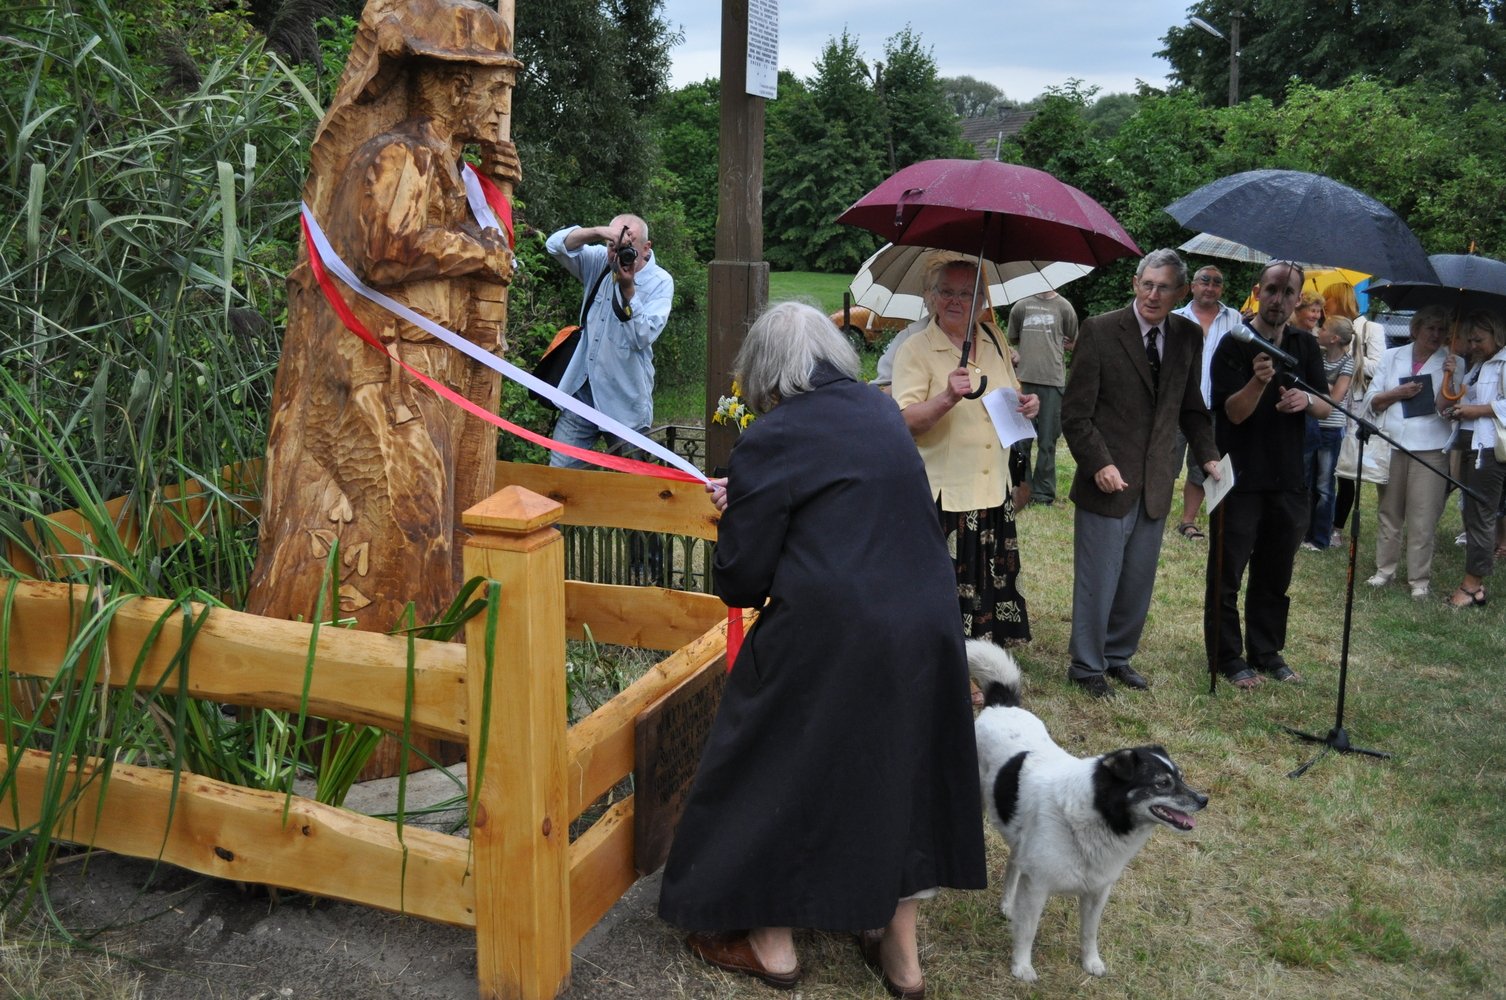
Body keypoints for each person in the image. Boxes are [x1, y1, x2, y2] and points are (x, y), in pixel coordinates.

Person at [660, 301, 986, 999]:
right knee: (896, 765)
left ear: (765, 370)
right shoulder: (879, 412)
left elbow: (742, 580)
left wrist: (739, 514)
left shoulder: (772, 436)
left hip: (835, 632)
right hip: (925, 622)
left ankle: (771, 942)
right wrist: (754, 496)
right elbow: (846, 503)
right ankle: (901, 957)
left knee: (775, 757)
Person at [1061, 249, 1219, 697]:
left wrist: (1208, 456)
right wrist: (1099, 463)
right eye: (1147, 284)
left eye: (1163, 287)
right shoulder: (1099, 330)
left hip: (1156, 480)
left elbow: (1191, 407)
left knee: (1137, 580)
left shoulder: (1188, 336)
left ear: (1181, 292)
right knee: (1098, 579)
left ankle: (1117, 657)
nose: (1153, 295)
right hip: (1107, 479)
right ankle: (1086, 666)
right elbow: (1075, 414)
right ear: (1134, 283)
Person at [893, 259, 1041, 648]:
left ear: (982, 302)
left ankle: (986, 651)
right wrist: (946, 398)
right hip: (949, 496)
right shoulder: (916, 349)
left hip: (993, 488)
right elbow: (904, 422)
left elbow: (1011, 392)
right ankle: (947, 658)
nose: (956, 301)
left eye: (967, 293)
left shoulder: (993, 337)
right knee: (947, 586)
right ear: (931, 297)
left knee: (988, 579)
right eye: (947, 292)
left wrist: (1027, 404)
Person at [1205, 260, 1332, 690]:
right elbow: (1232, 414)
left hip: (1288, 476)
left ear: (1298, 298)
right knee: (1227, 573)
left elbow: (1325, 404)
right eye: (1272, 290)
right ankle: (1227, 656)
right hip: (1238, 477)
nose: (1279, 299)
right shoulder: (1234, 342)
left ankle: (1266, 651)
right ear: (1258, 292)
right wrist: (1258, 383)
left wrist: (1305, 401)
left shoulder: (1304, 344)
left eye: (1288, 292)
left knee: (1275, 573)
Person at [544, 215, 673, 467]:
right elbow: (554, 245)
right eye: (613, 246)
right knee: (560, 475)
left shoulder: (660, 282)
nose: (618, 254)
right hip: (582, 392)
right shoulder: (601, 262)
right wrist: (600, 232)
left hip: (625, 401)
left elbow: (642, 337)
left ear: (646, 248)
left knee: (632, 481)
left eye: (628, 248)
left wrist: (628, 291)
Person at [1363, 305, 1461, 599]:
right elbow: (1372, 399)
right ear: (1415, 329)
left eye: (1442, 330)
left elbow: (1448, 409)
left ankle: (1419, 579)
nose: (1436, 334)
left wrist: (1451, 378)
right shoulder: (1392, 356)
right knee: (1389, 511)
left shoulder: (1453, 361)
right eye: (1430, 328)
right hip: (1392, 444)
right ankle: (1385, 570)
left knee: (1423, 516)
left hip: (1430, 448)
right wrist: (1396, 394)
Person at [1171, 263, 1245, 540]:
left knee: (1203, 465)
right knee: (1164, 462)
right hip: (1176, 405)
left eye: (1216, 282)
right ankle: (1153, 514)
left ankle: (1188, 521)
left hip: (1214, 406)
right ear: (1192, 286)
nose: (1210, 287)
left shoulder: (1235, 319)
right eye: (1205, 280)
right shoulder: (1175, 317)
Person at [1442, 312, 1506, 607]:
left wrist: (1476, 410)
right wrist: (1452, 379)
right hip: (1470, 445)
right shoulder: (1478, 365)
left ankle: (1472, 586)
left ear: (1497, 335)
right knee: (1470, 512)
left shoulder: (1503, 362)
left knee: (1480, 514)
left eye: (1479, 339)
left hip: (1489, 450)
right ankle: (1475, 586)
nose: (1473, 345)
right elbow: (1465, 400)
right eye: (1470, 340)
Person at [1325, 281, 1387, 544]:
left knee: (1347, 469)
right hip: (1332, 403)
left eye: (1328, 299)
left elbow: (1379, 367)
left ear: (1338, 300)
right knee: (1327, 465)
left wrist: (1350, 355)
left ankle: (1337, 527)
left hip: (1357, 405)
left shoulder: (1371, 328)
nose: (1324, 305)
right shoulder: (1326, 331)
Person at [1008, 290, 1079, 506]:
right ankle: (1023, 490)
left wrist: (1061, 344)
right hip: (1023, 380)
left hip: (1053, 381)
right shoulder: (1021, 306)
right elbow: (1013, 338)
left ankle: (1044, 494)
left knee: (1048, 441)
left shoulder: (1065, 307)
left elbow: (1074, 341)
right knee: (1022, 441)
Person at [1301, 316, 1356, 550]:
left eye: (1322, 328)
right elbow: (1307, 385)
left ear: (1333, 338)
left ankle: (1320, 537)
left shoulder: (1348, 363)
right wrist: (1324, 386)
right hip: (1311, 423)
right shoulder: (1319, 356)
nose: (1318, 331)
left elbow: (1335, 398)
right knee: (1306, 481)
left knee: (1324, 485)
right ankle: (1303, 533)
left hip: (1330, 429)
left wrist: (1319, 386)